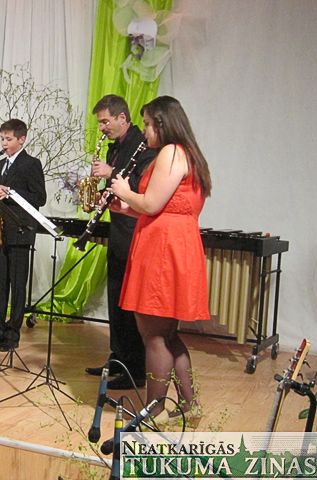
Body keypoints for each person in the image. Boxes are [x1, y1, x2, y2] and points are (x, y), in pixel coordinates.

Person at [109, 95, 211, 420]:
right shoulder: (188, 153)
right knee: (167, 334)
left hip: (163, 250)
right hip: (174, 244)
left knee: (153, 335)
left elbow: (152, 204)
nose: (146, 131)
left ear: (163, 124)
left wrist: (124, 190)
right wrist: (126, 207)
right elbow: (161, 206)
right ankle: (189, 406)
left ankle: (154, 411)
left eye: (149, 124)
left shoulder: (171, 152)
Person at [84, 95, 156, 390]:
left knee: (129, 304)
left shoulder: (144, 146)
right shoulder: (114, 147)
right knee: (115, 300)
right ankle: (117, 359)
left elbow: (141, 186)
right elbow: (116, 188)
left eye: (105, 121)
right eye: (100, 122)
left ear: (122, 118)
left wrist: (110, 173)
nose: (102, 128)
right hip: (118, 230)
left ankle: (134, 369)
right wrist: (100, 193)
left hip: (135, 232)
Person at [0, 119, 46, 352]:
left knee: (17, 285)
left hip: (21, 231)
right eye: (2, 139)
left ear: (21, 139)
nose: (4, 143)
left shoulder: (31, 164)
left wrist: (11, 192)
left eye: (8, 139)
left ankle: (12, 334)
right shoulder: (1, 164)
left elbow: (40, 198)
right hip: (2, 230)